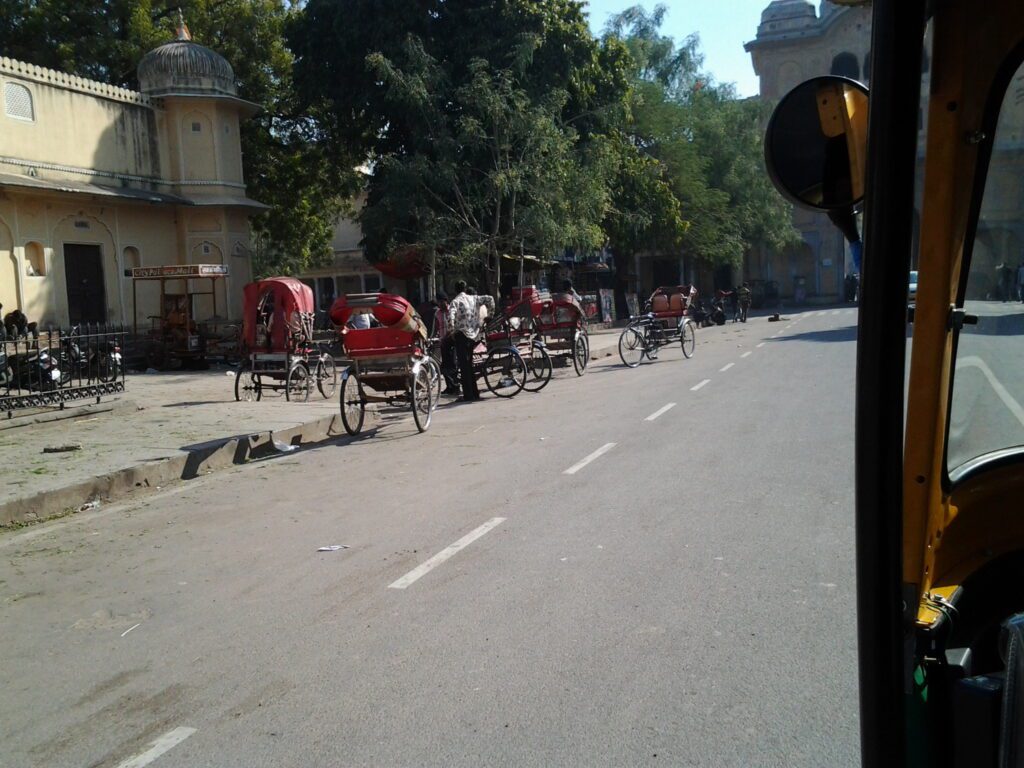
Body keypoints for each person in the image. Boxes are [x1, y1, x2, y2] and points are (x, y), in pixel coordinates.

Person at [448, 280, 494, 401]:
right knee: (469, 365)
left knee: (464, 366)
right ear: (465, 288)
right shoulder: (474, 298)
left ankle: (469, 395)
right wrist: (490, 315)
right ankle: (475, 393)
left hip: (461, 335)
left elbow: (450, 317)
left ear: (455, 290)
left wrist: (451, 331)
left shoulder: (455, 302)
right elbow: (490, 299)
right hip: (473, 336)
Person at [433, 290, 459, 394]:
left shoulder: (452, 310)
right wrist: (434, 337)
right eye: (438, 302)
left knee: (453, 364)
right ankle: (449, 386)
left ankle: (456, 386)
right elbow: (436, 327)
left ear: (445, 301)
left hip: (452, 341)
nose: (439, 304)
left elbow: (455, 326)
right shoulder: (437, 313)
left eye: (441, 302)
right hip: (443, 342)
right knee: (445, 365)